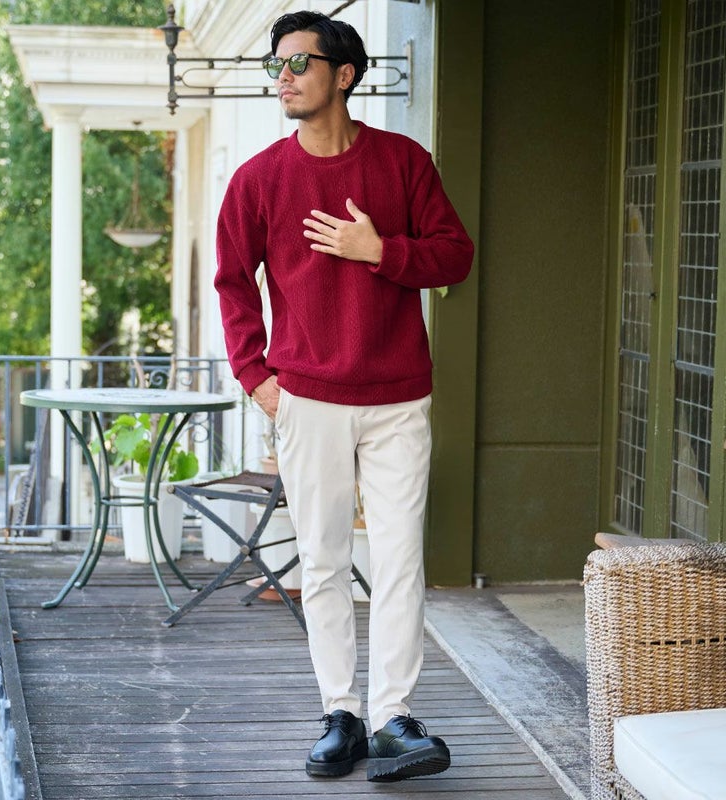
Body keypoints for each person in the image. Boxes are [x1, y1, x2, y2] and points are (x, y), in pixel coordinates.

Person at [214, 9, 474, 783]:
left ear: (344, 74)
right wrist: (254, 374)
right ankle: (342, 715)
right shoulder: (258, 179)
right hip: (307, 398)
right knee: (324, 561)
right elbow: (232, 281)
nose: (284, 77)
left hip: (398, 396)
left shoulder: (404, 162)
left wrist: (379, 249)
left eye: (299, 63)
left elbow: (454, 256)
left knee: (398, 559)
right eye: (277, 65)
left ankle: (393, 718)